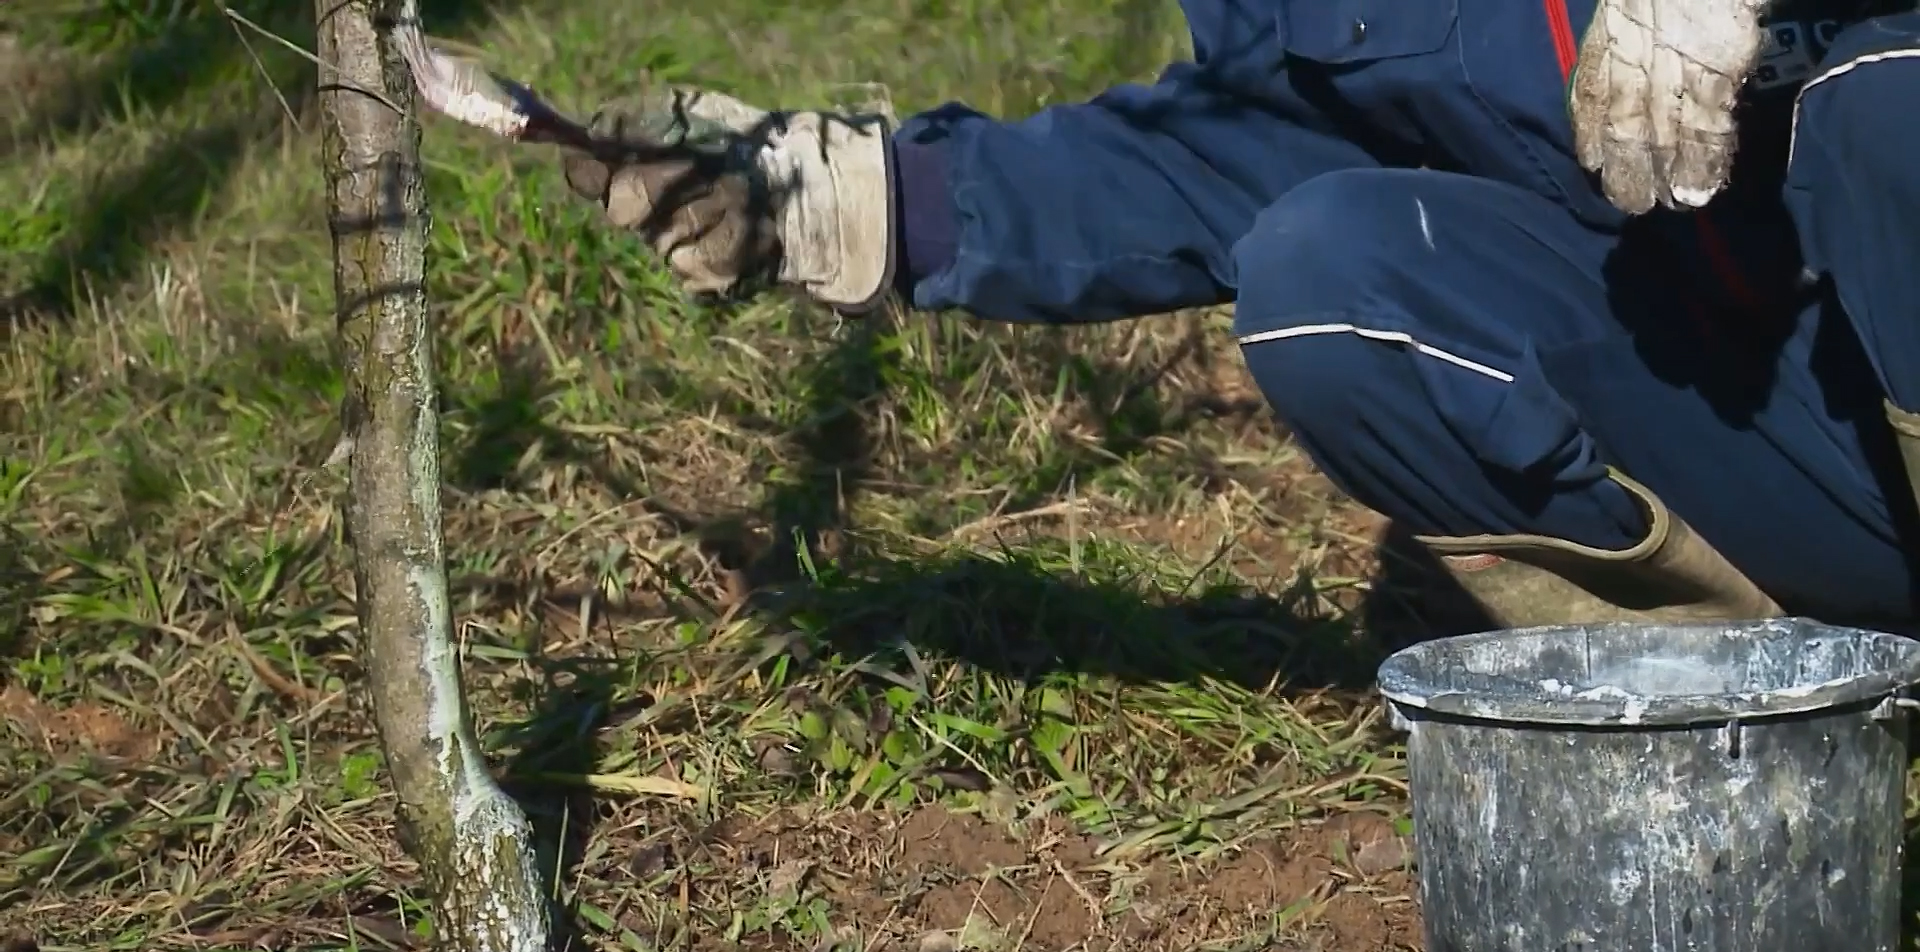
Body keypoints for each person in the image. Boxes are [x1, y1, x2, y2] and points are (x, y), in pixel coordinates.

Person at [555, 0, 1920, 632]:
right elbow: (1233, 145)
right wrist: (853, 199)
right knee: (1326, 271)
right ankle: (1734, 707)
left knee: (1890, 102)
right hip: (1784, 445)